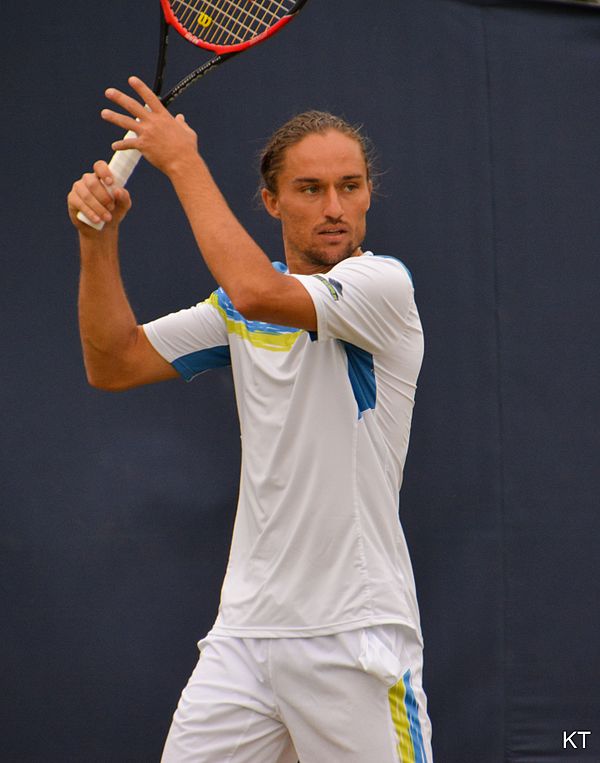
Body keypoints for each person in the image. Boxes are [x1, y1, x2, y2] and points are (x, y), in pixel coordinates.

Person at [67, 76, 433, 763]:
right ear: (271, 202)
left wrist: (182, 160)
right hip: (245, 639)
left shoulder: (383, 286)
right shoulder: (239, 313)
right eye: (310, 189)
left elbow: (257, 291)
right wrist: (99, 239)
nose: (334, 208)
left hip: (354, 636)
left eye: (350, 187)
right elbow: (113, 362)